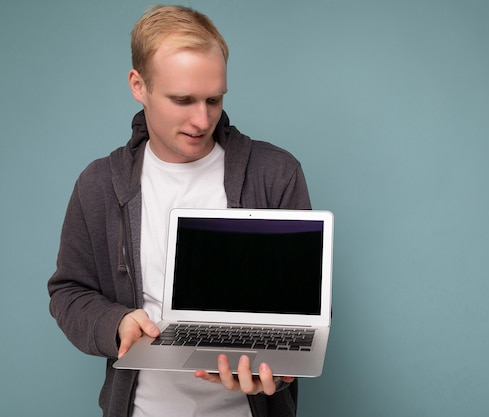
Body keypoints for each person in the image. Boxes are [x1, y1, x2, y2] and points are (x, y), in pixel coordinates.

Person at [48, 5, 310, 417]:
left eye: (214, 99)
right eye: (182, 100)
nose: (202, 119)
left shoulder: (275, 173)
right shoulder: (99, 184)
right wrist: (115, 323)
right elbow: (69, 292)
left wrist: (278, 373)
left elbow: (305, 306)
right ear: (139, 85)